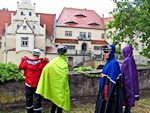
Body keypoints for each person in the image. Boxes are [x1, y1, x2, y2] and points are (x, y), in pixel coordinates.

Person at [36, 45, 70, 113]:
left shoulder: (54, 61)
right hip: (61, 87)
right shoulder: (64, 63)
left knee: (54, 102)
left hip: (54, 87)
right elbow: (65, 75)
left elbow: (46, 69)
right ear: (65, 53)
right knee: (60, 103)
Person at [19, 49, 49, 113]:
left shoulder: (26, 62)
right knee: (37, 99)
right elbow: (46, 68)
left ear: (33, 54)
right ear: (39, 55)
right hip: (37, 84)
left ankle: (29, 111)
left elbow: (20, 67)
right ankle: (37, 111)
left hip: (28, 84)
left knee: (28, 99)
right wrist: (46, 61)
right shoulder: (41, 62)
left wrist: (23, 59)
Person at [95, 44, 122, 113]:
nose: (104, 54)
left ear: (111, 52)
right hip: (104, 92)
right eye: (104, 52)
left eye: (106, 52)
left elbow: (112, 84)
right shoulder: (109, 62)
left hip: (109, 94)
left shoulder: (113, 63)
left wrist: (107, 98)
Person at [121, 45, 139, 113]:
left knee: (127, 101)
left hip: (127, 85)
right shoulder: (131, 59)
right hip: (130, 84)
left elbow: (126, 74)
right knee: (128, 103)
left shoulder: (127, 61)